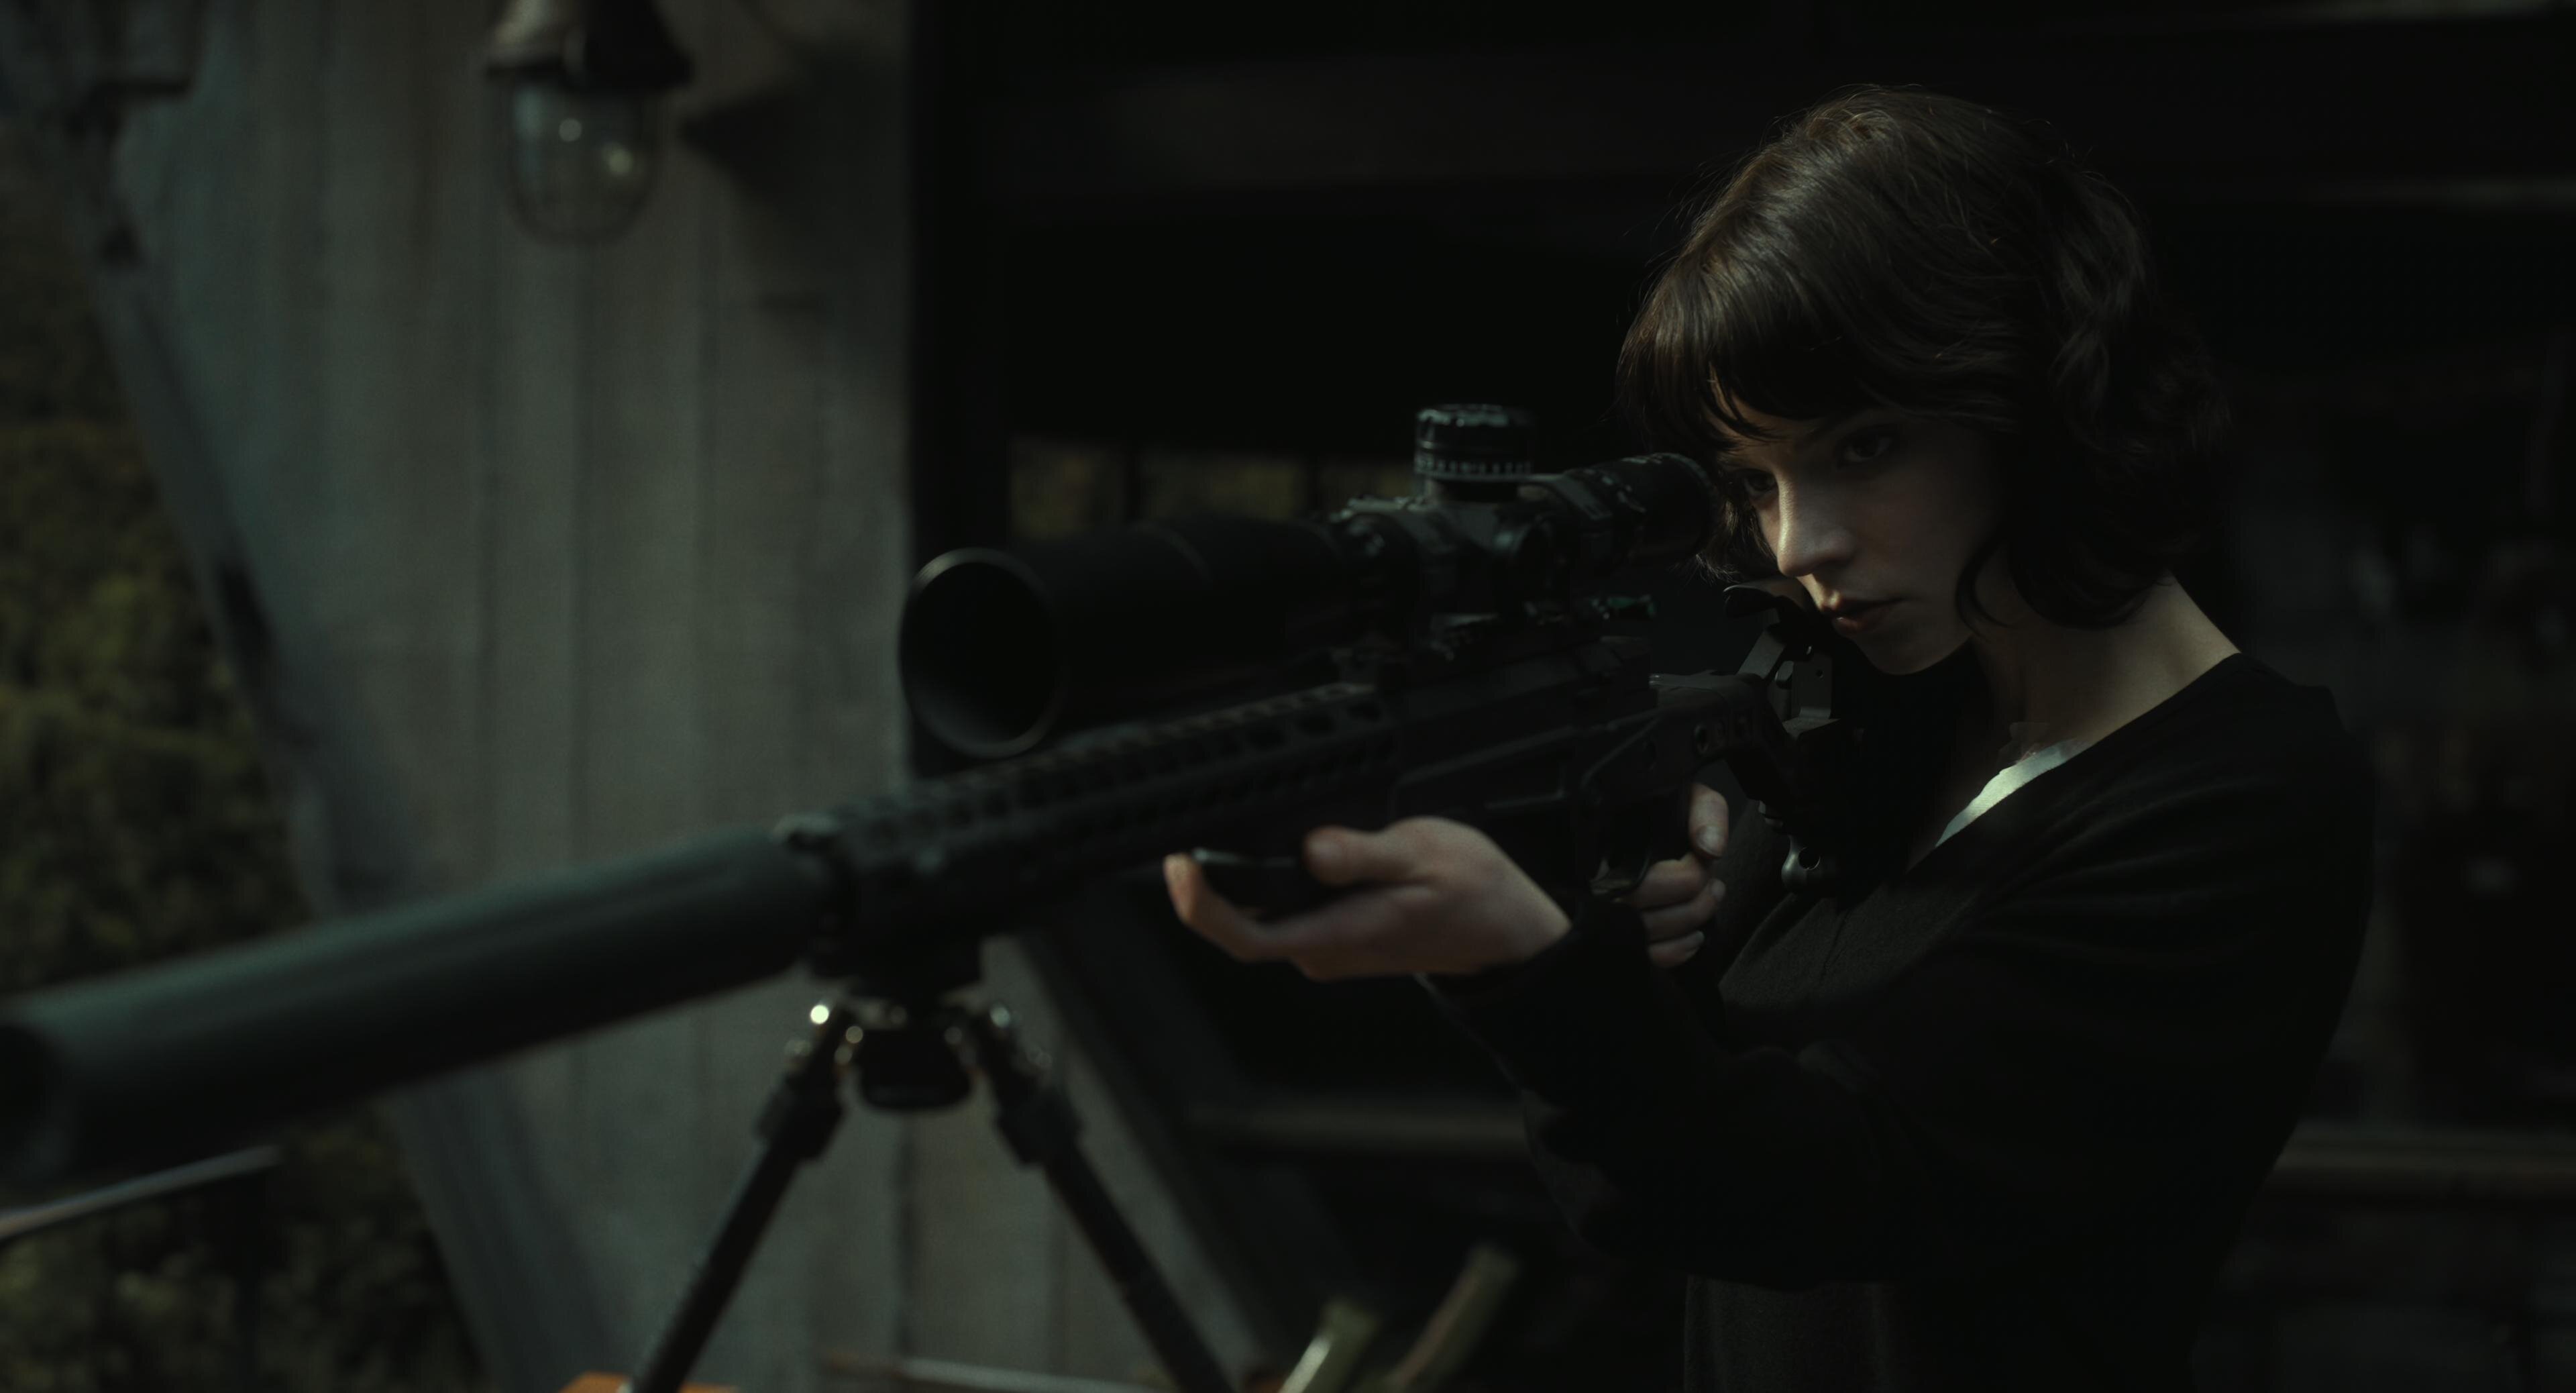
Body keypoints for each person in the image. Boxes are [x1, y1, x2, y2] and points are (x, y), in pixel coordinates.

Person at [1163, 86, 2374, 1390]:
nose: (1801, 544)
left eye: (1866, 446)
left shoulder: (2242, 795)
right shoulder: (1884, 719)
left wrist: (1526, 960)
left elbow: (1825, 1185)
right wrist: (1613, 931)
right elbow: (1653, 1178)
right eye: (1755, 480)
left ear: (2041, 401)